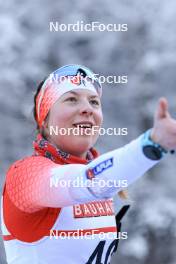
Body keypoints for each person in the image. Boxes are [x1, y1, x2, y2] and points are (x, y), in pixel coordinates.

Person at [1, 64, 176, 264]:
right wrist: (151, 144)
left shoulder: (101, 176)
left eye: (94, 102)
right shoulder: (23, 175)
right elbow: (82, 182)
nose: (87, 109)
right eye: (71, 99)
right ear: (45, 120)